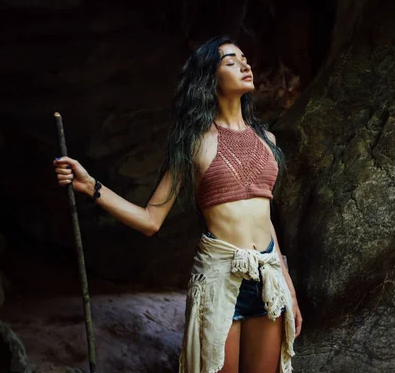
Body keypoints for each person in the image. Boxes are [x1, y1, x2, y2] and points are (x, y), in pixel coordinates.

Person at [53, 35, 303, 373]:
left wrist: (289, 288)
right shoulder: (194, 142)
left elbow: (264, 216)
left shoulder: (266, 139)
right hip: (220, 279)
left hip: (268, 279)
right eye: (231, 61)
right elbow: (151, 219)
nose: (245, 65)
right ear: (209, 78)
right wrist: (91, 186)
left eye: (245, 58)